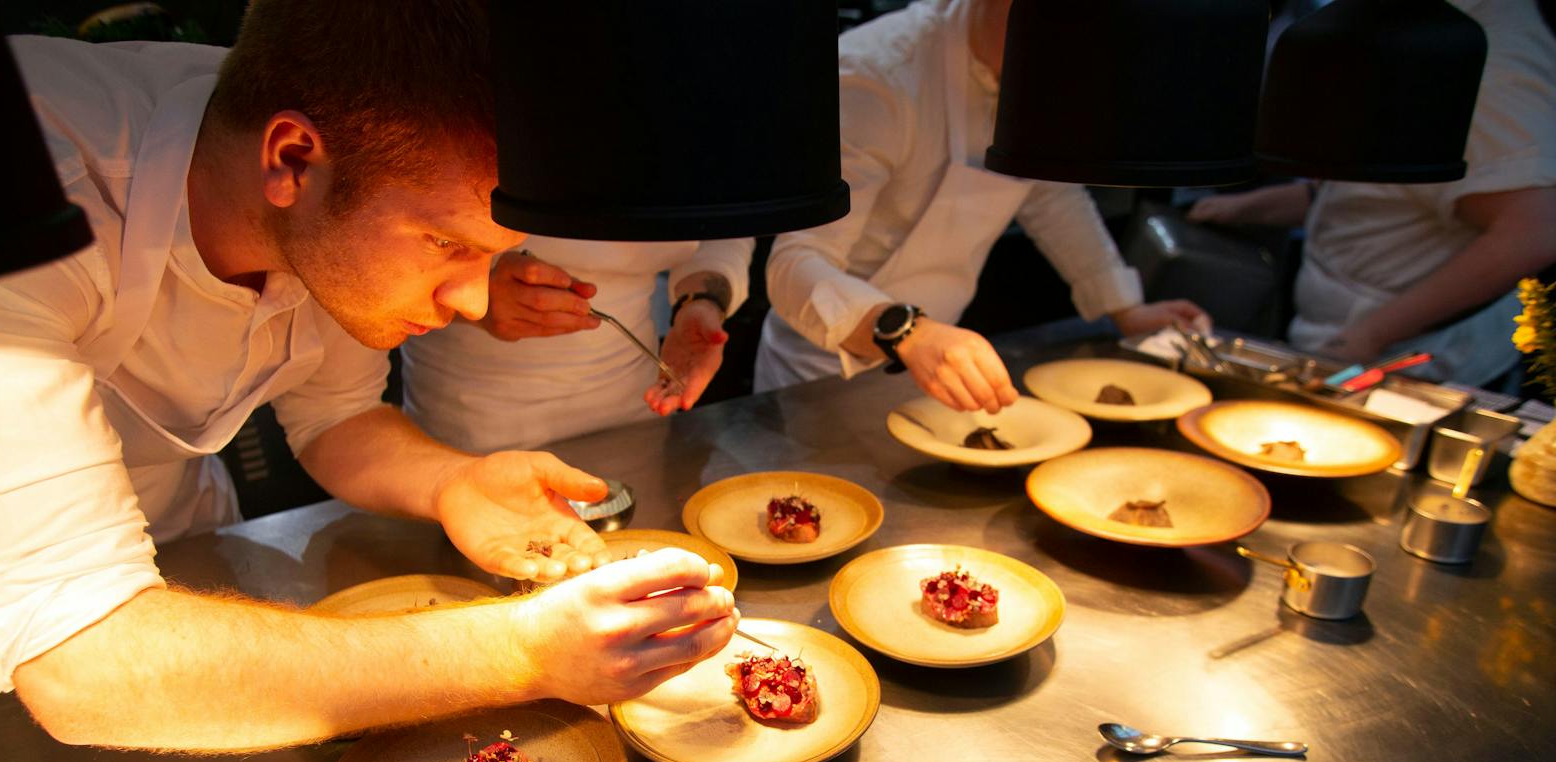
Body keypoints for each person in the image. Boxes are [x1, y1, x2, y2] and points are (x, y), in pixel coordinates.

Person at [0, 0, 738, 753]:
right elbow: (82, 660)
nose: (470, 302)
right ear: (291, 159)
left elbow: (335, 418)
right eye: (446, 245)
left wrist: (452, 482)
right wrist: (522, 651)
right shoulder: (12, 175)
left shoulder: (328, 190)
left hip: (178, 544)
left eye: (491, 255)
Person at [755, 0, 1211, 414]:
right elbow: (795, 265)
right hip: (815, 377)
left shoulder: (1050, 72)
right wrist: (907, 332)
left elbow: (1049, 194)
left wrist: (1124, 305)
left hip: (936, 370)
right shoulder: (876, 75)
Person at [1188, 0, 1556, 386]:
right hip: (1335, 338)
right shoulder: (1385, 26)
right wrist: (1246, 208)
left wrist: (1371, 333)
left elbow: (1535, 231)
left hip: (1408, 367)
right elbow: (1382, 192)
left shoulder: (1484, 62)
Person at [401, 238, 753, 454]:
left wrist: (702, 300)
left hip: (633, 417)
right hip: (474, 428)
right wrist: (471, 298)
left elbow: (721, 224)